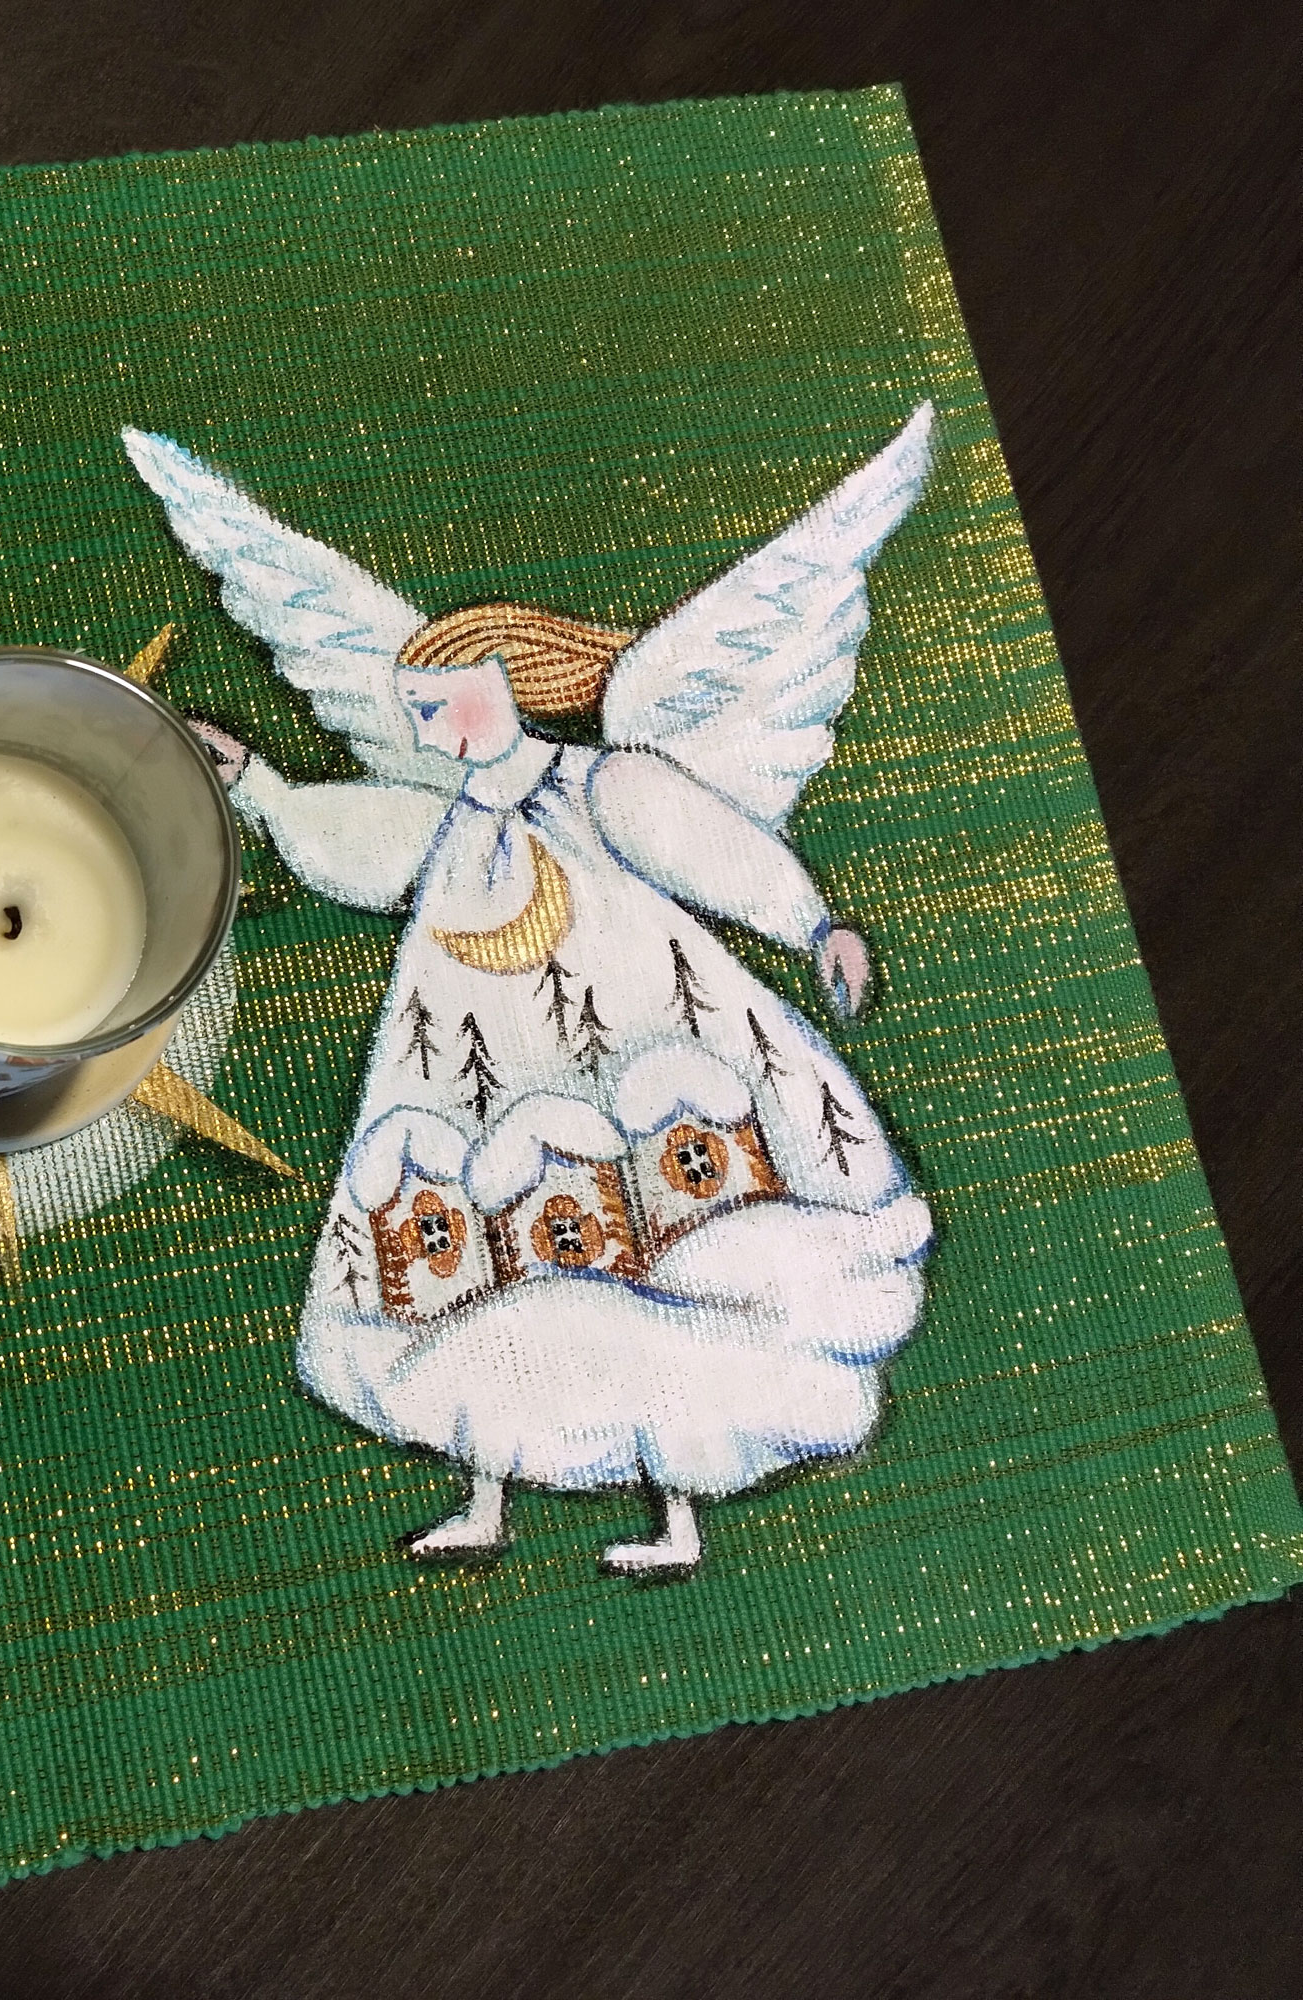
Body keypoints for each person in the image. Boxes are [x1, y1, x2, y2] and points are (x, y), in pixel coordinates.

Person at [126, 408, 936, 1574]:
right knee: (478, 1242)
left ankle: (677, 1504)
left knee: (663, 1230)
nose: (427, 728)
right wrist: (256, 781)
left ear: (510, 685)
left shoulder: (601, 786)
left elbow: (708, 845)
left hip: (648, 1028)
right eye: (416, 711)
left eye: (443, 702)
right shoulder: (444, 824)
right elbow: (361, 845)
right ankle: (486, 1488)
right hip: (470, 1062)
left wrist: (814, 921)